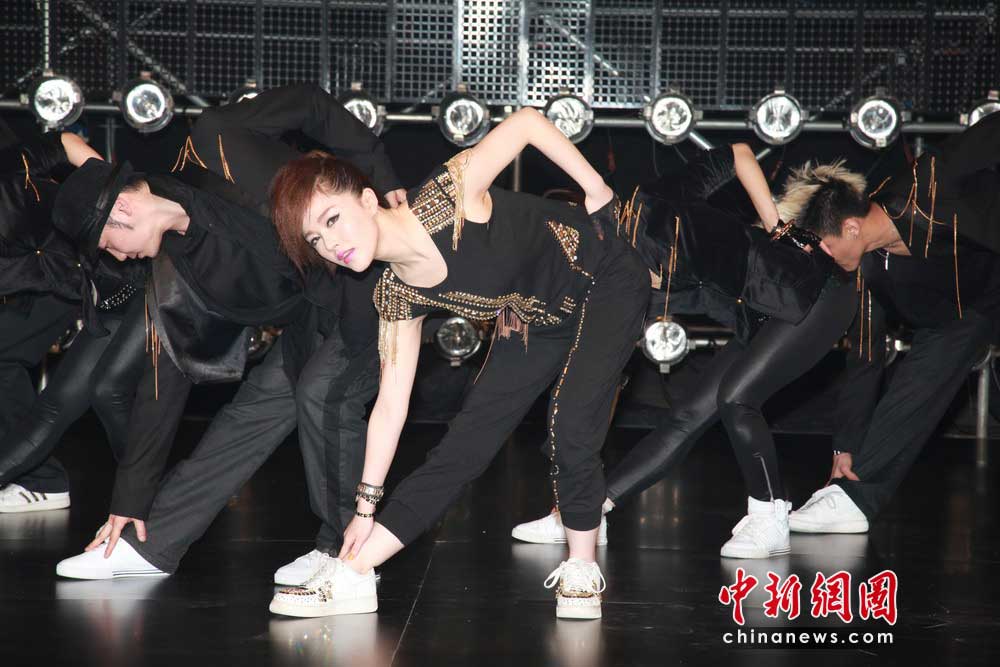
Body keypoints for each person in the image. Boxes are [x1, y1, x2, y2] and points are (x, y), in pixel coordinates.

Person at [265, 106, 648, 620]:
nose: (331, 244)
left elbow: (527, 123)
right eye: (316, 240)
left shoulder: (449, 198)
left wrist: (596, 189)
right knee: (464, 444)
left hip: (607, 278)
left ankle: (581, 566)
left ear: (368, 199)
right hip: (535, 316)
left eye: (332, 219)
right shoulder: (396, 295)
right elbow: (390, 408)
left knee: (572, 424)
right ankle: (355, 573)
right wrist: (364, 509)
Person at [52, 84, 405, 583]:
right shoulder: (176, 269)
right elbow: (163, 381)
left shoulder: (216, 138)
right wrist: (128, 502)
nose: (117, 256)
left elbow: (311, 105)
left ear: (124, 211)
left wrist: (381, 173)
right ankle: (149, 546)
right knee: (247, 416)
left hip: (374, 284)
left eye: (106, 243)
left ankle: (348, 556)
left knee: (322, 392)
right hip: (313, 317)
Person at [512, 144, 856, 559]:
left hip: (811, 292)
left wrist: (777, 226)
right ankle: (587, 514)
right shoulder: (606, 284)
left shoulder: (653, 204)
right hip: (760, 320)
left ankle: (770, 515)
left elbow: (740, 154)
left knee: (737, 398)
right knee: (684, 417)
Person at [786, 111, 1000, 533]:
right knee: (919, 377)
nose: (825, 259)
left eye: (826, 247)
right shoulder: (863, 270)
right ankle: (854, 497)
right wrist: (845, 447)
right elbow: (866, 355)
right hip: (964, 313)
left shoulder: (929, 182)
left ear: (851, 227)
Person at [0, 126, 146, 513]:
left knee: (104, 391)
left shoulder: (7, 170)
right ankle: (40, 479)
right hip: (44, 287)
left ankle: (47, 481)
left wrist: (115, 202)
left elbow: (65, 143)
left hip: (102, 267)